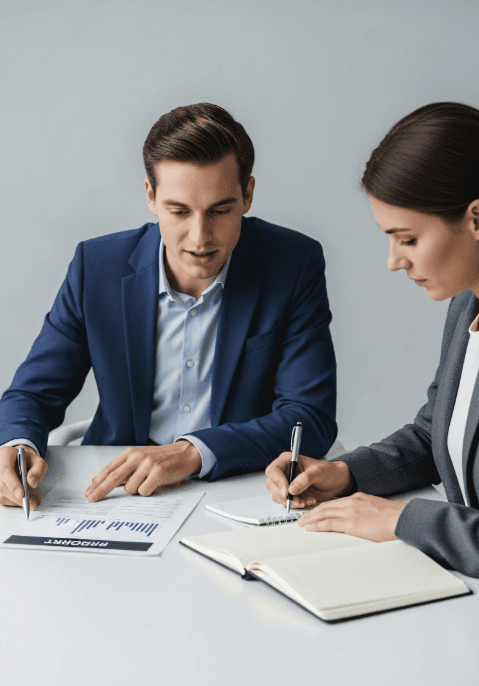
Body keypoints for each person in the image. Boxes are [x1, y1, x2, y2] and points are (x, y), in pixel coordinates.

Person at [0, 103, 337, 510]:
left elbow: (309, 418)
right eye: (179, 211)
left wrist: (193, 452)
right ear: (151, 196)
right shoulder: (97, 267)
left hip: (240, 488)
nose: (200, 237)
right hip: (112, 491)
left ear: (248, 194)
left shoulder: (293, 263)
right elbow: (33, 393)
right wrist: (14, 444)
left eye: (220, 210)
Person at [266, 101, 479, 578]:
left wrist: (405, 520)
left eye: (407, 240)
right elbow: (436, 432)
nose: (393, 261)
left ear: (476, 218)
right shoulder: (466, 304)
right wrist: (347, 474)